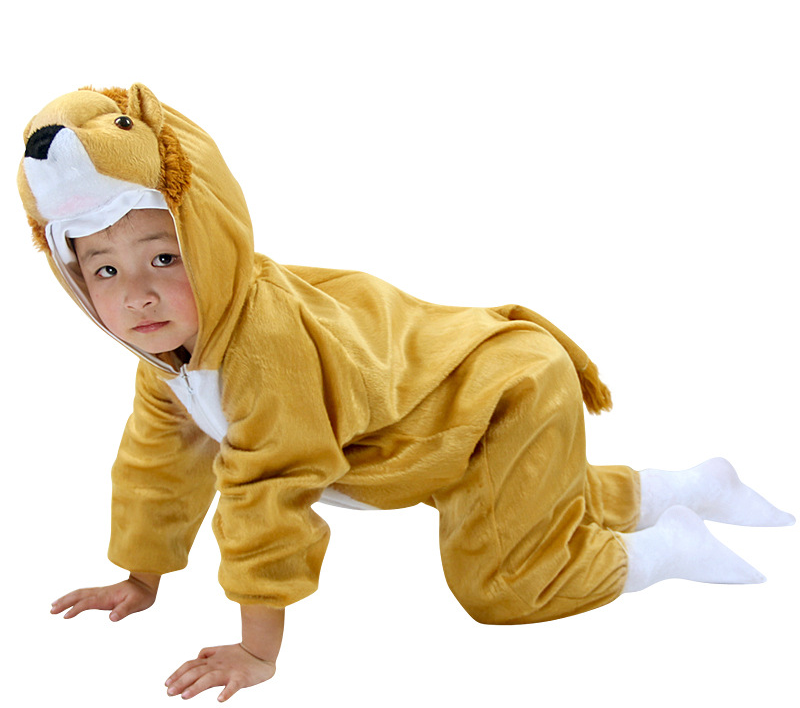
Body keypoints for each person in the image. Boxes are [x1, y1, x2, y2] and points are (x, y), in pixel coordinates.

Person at [19, 84, 794, 703]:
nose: (139, 295)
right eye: (105, 270)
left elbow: (265, 501)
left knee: (502, 583)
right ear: (74, 278)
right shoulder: (168, 360)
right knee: (528, 499)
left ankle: (665, 548)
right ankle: (693, 486)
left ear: (211, 241)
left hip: (503, 395)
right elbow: (157, 465)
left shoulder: (261, 350)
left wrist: (258, 653)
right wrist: (141, 579)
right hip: (460, 409)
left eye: (163, 258)